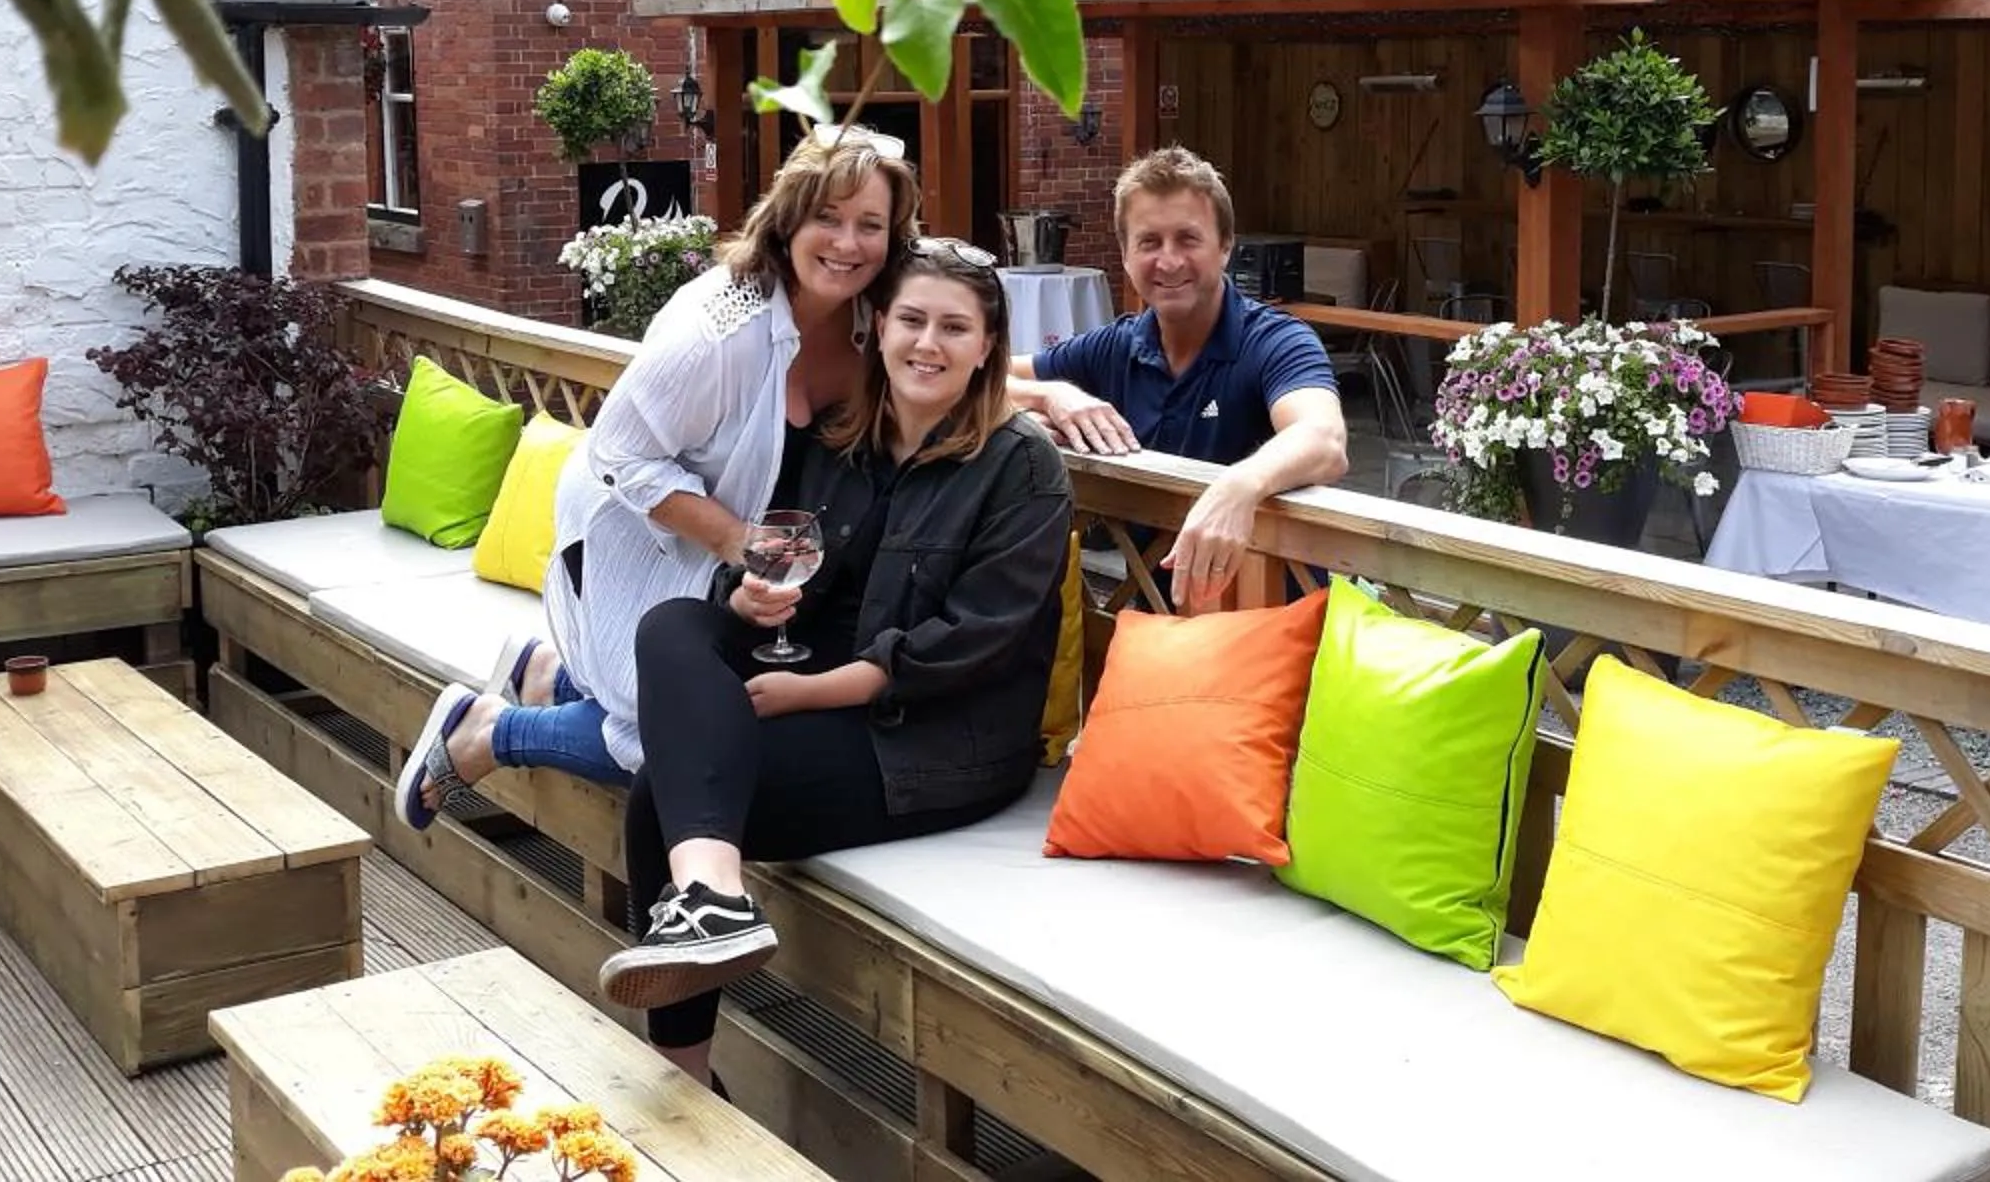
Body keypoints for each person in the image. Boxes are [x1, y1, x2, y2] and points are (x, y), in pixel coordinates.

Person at [595, 240, 1073, 1085]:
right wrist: (751, 603)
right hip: (826, 683)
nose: (929, 344)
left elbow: (976, 640)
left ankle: (683, 1067)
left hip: (937, 738)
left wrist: (818, 691)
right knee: (675, 623)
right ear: (880, 326)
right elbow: (796, 573)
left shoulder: (1020, 464)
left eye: (954, 328)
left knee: (655, 801)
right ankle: (711, 899)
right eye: (913, 320)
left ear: (988, 345)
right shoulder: (844, 435)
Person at [396, 129, 922, 825]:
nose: (847, 243)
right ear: (789, 216)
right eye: (827, 216)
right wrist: (739, 541)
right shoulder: (720, 325)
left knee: (699, 708)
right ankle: (488, 731)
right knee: (676, 739)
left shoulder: (869, 316)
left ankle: (552, 675)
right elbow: (620, 454)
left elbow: (946, 359)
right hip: (631, 529)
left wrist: (1048, 393)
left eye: (870, 225)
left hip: (722, 551)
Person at [1010, 147, 1349, 611]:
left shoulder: (1274, 340)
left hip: (1272, 633)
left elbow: (1324, 439)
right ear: (1125, 255)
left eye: (1188, 239)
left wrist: (1239, 486)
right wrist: (1047, 393)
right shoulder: (1117, 346)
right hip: (1157, 630)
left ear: (1226, 247)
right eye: (1149, 242)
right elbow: (978, 376)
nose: (1169, 262)